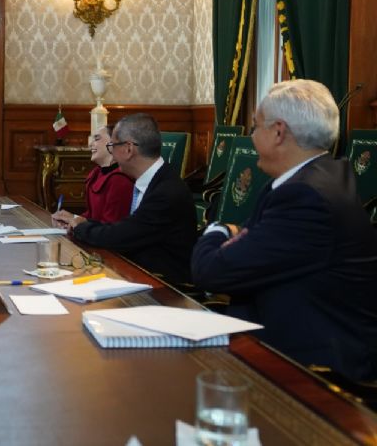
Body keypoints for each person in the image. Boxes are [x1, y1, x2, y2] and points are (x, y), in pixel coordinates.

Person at [192, 80, 377, 381]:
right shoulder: (320, 177)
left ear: (278, 132)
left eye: (255, 127)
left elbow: (211, 270)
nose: (252, 136)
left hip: (309, 371)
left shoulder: (306, 198)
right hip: (276, 341)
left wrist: (218, 228)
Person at [67, 113, 197, 284]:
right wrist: (84, 223)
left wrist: (80, 228)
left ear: (128, 149)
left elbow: (122, 236)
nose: (111, 151)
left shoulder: (166, 192)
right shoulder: (154, 180)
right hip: (139, 275)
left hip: (165, 288)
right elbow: (126, 227)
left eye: (112, 145)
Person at [51, 124, 134, 226]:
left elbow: (110, 228)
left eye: (97, 138)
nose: (90, 144)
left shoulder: (120, 180)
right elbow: (92, 216)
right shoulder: (97, 174)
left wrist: (77, 226)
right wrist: (71, 220)